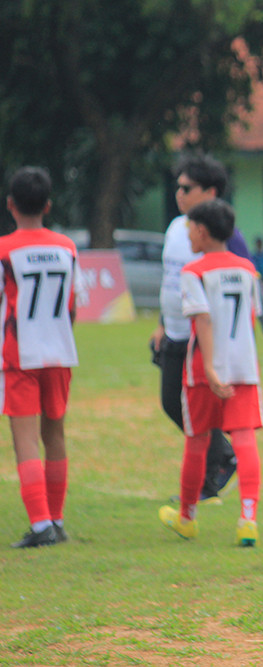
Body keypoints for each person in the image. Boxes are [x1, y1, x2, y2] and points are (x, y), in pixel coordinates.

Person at [150, 154, 263, 503]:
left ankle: (217, 466)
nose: (179, 194)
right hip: (176, 331)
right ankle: (220, 460)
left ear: (210, 191)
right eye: (177, 187)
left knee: (195, 410)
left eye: (187, 188)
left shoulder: (228, 237)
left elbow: (249, 282)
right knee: (172, 403)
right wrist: (161, 323)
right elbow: (171, 282)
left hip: (205, 338)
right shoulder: (174, 228)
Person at [157, 199, 263, 546]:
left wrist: (210, 368)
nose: (187, 233)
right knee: (245, 438)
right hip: (243, 369)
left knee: (197, 440)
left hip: (205, 372)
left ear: (202, 231)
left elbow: (202, 318)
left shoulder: (194, 272)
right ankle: (248, 518)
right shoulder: (248, 270)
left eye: (189, 227)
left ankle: (187, 517)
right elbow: (251, 318)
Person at [1, 167, 79, 548]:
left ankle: (40, 524)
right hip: (60, 351)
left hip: (20, 353)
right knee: (55, 435)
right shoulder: (67, 247)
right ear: (48, 205)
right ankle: (57, 518)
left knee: (26, 440)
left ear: (10, 205)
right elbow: (74, 304)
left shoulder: (4, 249)